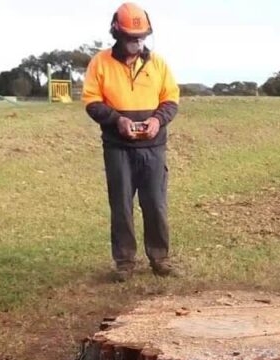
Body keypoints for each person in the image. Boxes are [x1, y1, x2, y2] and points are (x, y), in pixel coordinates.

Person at [82, 2, 180, 281]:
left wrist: (157, 120)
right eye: (131, 37)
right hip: (118, 148)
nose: (137, 43)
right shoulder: (100, 62)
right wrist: (117, 120)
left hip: (153, 147)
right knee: (121, 205)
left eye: (142, 37)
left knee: (156, 204)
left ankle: (160, 259)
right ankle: (124, 262)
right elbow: (91, 101)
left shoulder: (158, 63)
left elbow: (171, 99)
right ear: (117, 33)